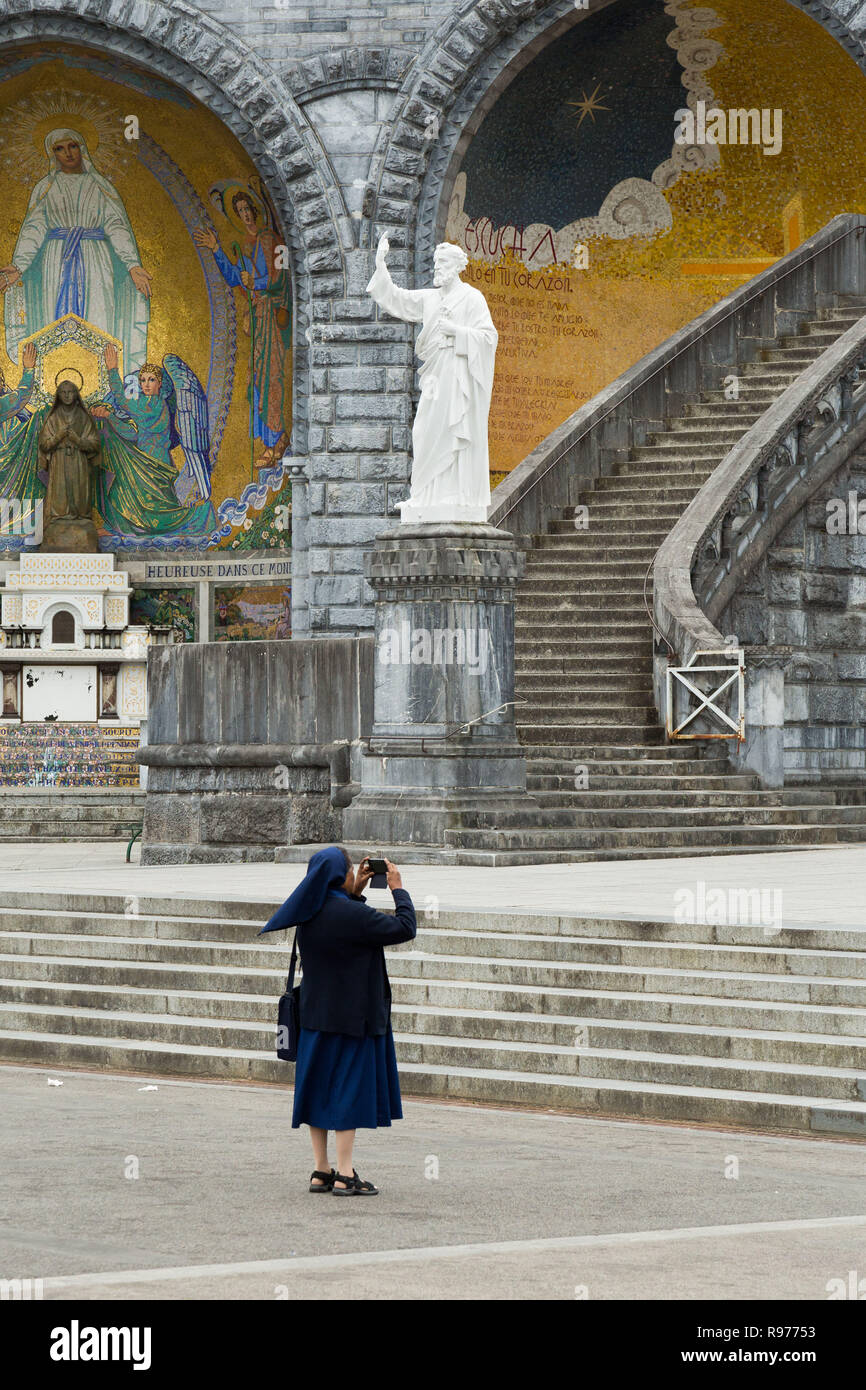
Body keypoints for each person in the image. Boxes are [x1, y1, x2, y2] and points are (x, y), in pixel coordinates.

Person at [260, 845, 416, 1195]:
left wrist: (355, 892)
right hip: (352, 1018)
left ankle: (321, 1169)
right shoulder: (351, 915)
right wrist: (397, 887)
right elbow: (405, 927)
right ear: (338, 874)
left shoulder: (308, 912)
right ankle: (345, 1173)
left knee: (317, 1089)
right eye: (349, 870)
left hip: (314, 1016)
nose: (352, 874)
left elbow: (345, 922)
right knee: (347, 1093)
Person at [366, 234, 497, 523]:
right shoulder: (430, 298)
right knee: (423, 431)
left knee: (455, 430)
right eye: (435, 264)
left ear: (455, 267)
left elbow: (489, 339)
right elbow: (398, 299)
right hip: (436, 377)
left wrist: (457, 332)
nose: (436, 269)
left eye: (441, 264)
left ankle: (454, 496)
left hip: (459, 376)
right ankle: (424, 495)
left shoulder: (472, 298)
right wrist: (380, 265)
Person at [1, 128, 151, 373]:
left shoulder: (100, 186)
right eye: (60, 149)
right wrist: (19, 266)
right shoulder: (46, 188)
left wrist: (132, 264)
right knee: (54, 318)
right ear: (52, 154)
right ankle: (55, 379)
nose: (68, 153)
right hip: (56, 262)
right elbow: (34, 228)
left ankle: (102, 384)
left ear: (83, 148)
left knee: (99, 316)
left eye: (73, 146)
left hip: (95, 259)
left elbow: (116, 225)